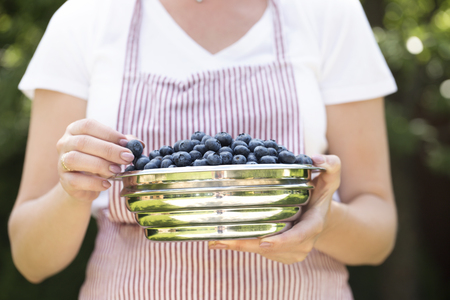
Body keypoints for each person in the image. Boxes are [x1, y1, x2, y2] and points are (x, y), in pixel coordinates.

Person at [8, 0, 398, 298]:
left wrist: (322, 222)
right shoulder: (86, 18)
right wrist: (73, 189)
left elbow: (378, 231)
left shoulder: (327, 13)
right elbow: (30, 259)